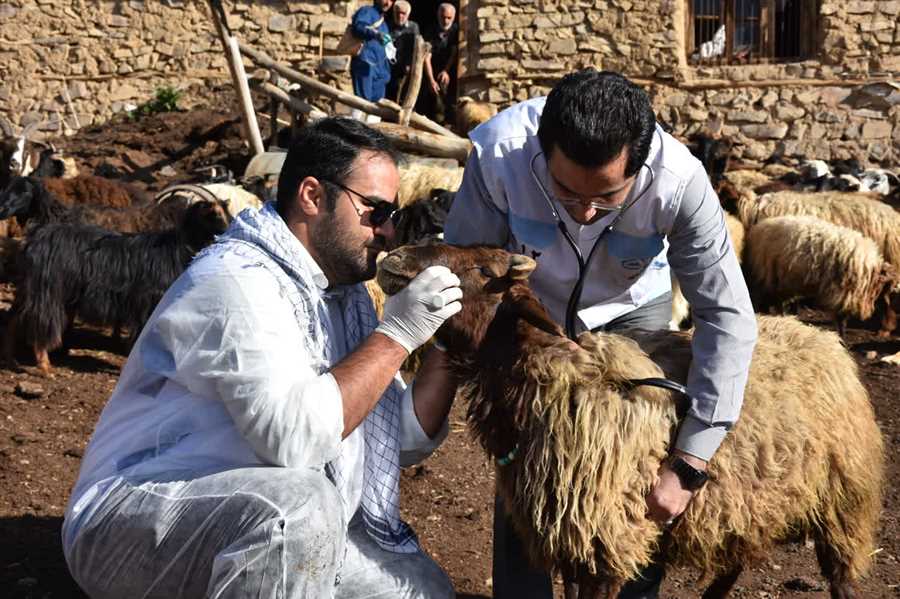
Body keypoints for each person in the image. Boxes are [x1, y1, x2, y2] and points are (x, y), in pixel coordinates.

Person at [61, 117, 462, 599]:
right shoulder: (237, 281)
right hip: (134, 515)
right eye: (374, 211)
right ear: (313, 197)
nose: (389, 230)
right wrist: (396, 336)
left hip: (262, 517)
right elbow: (294, 442)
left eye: (391, 214)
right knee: (297, 511)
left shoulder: (344, 297)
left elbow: (388, 435)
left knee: (423, 591)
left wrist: (448, 342)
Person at [444, 69, 758, 598]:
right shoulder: (499, 155)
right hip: (529, 311)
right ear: (541, 153)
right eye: (566, 192)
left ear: (642, 165)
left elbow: (726, 316)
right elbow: (464, 269)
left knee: (634, 462)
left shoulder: (680, 182)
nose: (587, 212)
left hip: (631, 311)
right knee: (525, 464)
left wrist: (690, 463)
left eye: (609, 198)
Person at [418, 3, 458, 125]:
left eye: (449, 18)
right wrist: (431, 80)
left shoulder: (457, 31)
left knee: (449, 103)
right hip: (432, 69)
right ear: (438, 15)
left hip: (451, 71)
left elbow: (454, 52)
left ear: (454, 17)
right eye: (443, 17)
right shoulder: (431, 30)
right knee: (430, 101)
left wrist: (446, 70)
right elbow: (427, 56)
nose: (445, 20)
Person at [349, 0, 395, 107]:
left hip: (380, 72)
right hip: (365, 66)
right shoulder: (367, 11)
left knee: (377, 109)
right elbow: (358, 27)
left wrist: (386, 74)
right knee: (361, 105)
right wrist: (375, 34)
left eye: (391, 0)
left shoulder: (384, 23)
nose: (388, 3)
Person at [386, 0, 421, 102]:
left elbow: (416, 47)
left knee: (404, 93)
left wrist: (410, 63)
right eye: (398, 13)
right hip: (390, 66)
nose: (400, 16)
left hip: (406, 66)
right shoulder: (388, 26)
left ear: (408, 14)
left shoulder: (413, 27)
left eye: (403, 14)